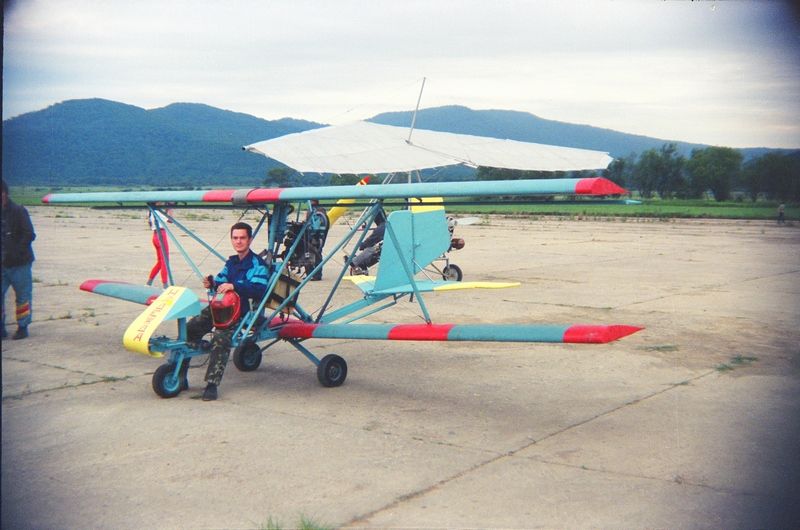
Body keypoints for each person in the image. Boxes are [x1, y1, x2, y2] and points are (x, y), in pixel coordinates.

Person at [186, 222, 269, 401]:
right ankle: (181, 373)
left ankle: (211, 385)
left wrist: (235, 286)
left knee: (220, 338)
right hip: (222, 307)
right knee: (190, 328)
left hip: (243, 312)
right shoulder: (231, 262)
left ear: (250, 240)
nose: (238, 241)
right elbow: (220, 280)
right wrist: (212, 283)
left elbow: (259, 289)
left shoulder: (258, 265)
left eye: (242, 238)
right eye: (235, 238)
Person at [2, 180, 37, 340]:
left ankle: (23, 327)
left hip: (20, 264)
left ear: (5, 194)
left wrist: (17, 252)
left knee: (23, 297)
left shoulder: (18, 211)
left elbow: (29, 234)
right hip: (2, 264)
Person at [146, 207, 172, 288]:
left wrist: (166, 210)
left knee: (160, 261)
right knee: (165, 261)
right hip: (161, 235)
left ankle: (149, 282)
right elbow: (170, 220)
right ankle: (165, 285)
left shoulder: (151, 211)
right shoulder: (158, 212)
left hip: (155, 235)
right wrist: (170, 209)